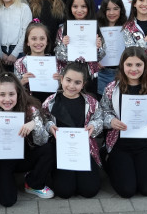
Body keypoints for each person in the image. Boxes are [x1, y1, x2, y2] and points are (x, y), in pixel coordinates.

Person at [0, 73, 55, 206]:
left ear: (18, 94)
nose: (7, 99)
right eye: (2, 95)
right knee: (7, 201)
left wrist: (34, 124)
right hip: (4, 160)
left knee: (49, 149)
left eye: (11, 94)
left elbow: (42, 141)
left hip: (26, 156)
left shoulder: (30, 110)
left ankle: (33, 183)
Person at [100, 47, 147, 198]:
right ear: (122, 65)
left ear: (145, 66)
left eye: (138, 65)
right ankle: (108, 158)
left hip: (144, 145)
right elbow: (102, 112)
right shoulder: (112, 88)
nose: (134, 69)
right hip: (120, 144)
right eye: (129, 65)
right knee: (127, 191)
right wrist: (111, 121)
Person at [43, 62, 104, 198]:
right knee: (64, 192)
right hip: (61, 151)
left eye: (77, 82)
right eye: (68, 80)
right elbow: (43, 121)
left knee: (90, 190)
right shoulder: (51, 102)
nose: (71, 86)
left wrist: (94, 126)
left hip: (84, 149)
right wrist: (49, 127)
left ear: (83, 84)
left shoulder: (91, 102)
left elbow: (99, 119)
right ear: (62, 79)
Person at [54, 0, 106, 94]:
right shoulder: (63, 29)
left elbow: (101, 55)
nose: (79, 10)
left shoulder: (95, 27)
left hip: (89, 75)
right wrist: (64, 45)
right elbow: (59, 55)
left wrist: (98, 47)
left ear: (89, 7)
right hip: (70, 78)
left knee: (89, 104)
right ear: (70, 8)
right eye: (75, 6)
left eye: (83, 6)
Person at [14, 22, 62, 103]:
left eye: (42, 38)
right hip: (28, 104)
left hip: (51, 104)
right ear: (27, 42)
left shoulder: (56, 63)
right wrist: (22, 82)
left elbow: (63, 90)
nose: (38, 42)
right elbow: (13, 89)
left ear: (47, 41)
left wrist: (61, 81)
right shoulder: (19, 63)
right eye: (34, 39)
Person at [0, 0, 32, 68]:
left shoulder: (23, 8)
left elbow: (26, 32)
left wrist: (15, 53)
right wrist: (0, 53)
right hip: (1, 51)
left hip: (19, 50)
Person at [96, 0, 128, 95]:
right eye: (108, 9)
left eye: (115, 9)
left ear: (121, 10)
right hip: (102, 73)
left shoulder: (127, 27)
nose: (112, 13)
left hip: (122, 73)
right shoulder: (96, 27)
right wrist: (95, 61)